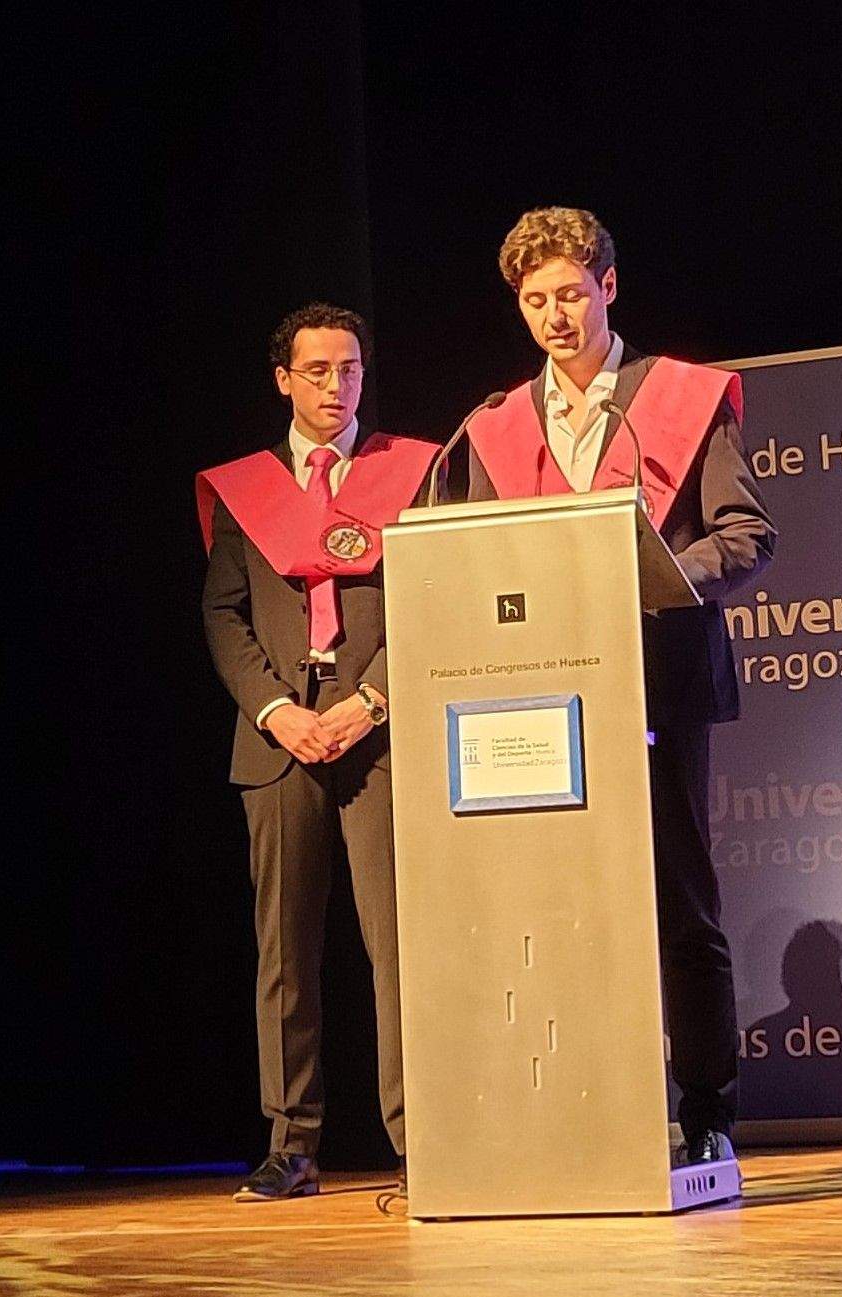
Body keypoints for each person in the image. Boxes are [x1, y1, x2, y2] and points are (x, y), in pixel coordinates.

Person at [435, 206, 777, 1166]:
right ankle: (580, 1109)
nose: (556, 316)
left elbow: (747, 536)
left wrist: (658, 574)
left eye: (571, 295)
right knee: (556, 910)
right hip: (536, 697)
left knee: (679, 905)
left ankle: (707, 1110)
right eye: (536, 301)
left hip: (658, 685)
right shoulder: (491, 426)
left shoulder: (674, 399)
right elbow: (459, 554)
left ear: (609, 288)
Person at [198, 304, 431, 1200]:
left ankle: (419, 1139)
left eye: (351, 369)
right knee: (285, 951)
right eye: (319, 370)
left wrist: (372, 698)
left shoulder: (408, 473)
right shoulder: (246, 490)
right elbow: (222, 612)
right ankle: (291, 1142)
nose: (337, 386)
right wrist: (271, 709)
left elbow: (430, 594)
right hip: (280, 741)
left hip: (378, 733)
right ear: (283, 379)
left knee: (399, 943)